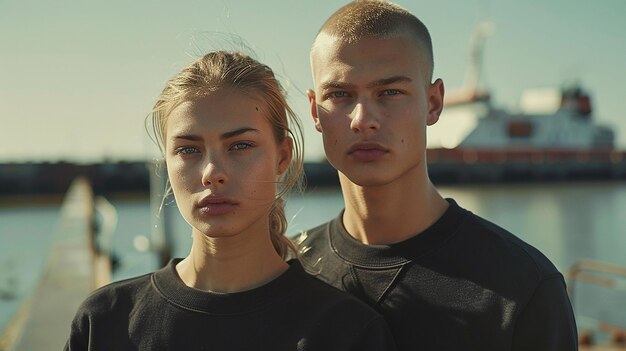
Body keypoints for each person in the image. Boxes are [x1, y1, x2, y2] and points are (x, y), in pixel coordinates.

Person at [65, 51, 397, 350]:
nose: (212, 172)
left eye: (240, 146)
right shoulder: (106, 321)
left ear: (283, 157)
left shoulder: (345, 331)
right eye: (188, 150)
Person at [296, 1, 578, 350]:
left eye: (390, 92)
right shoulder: (284, 268)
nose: (363, 119)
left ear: (433, 103)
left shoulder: (522, 287)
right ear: (315, 111)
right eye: (339, 94)